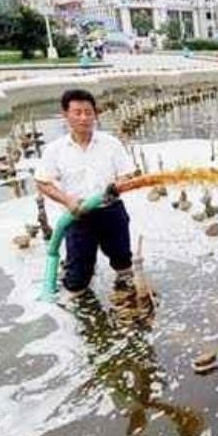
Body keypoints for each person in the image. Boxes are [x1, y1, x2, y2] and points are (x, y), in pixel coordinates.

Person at [34, 89, 137, 298]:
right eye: (77, 112)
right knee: (77, 279)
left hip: (111, 211)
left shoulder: (110, 144)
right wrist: (67, 200)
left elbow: (128, 174)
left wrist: (116, 187)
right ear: (66, 114)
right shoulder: (55, 150)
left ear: (95, 114)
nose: (84, 118)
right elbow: (43, 182)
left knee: (123, 262)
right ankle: (78, 306)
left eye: (88, 112)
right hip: (77, 215)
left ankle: (127, 298)